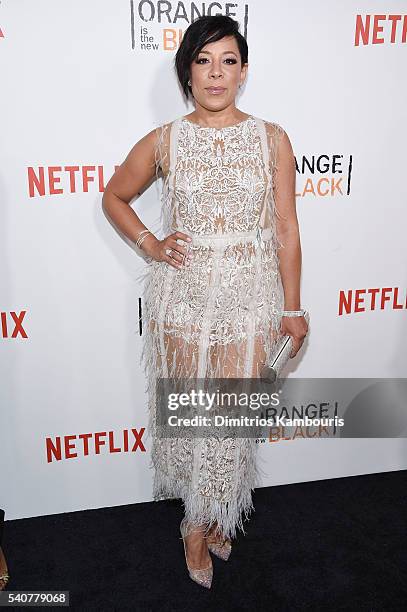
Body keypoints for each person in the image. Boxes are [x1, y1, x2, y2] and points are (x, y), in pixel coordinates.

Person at [102, 15, 308, 589]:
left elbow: (287, 227)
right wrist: (151, 243)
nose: (216, 73)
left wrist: (293, 307)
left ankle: (214, 509)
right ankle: (195, 524)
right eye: (203, 60)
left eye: (229, 61)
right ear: (187, 72)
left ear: (244, 72)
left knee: (231, 417)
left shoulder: (272, 138)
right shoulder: (167, 138)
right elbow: (115, 196)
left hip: (250, 294)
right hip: (185, 296)